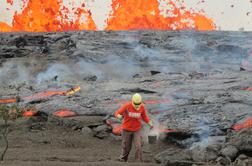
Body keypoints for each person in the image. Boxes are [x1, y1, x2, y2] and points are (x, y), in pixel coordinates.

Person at [114, 93, 153, 162]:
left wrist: (149, 123)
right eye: (136, 103)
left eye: (139, 103)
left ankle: (138, 161)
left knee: (138, 146)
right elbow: (117, 113)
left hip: (137, 130)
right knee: (127, 147)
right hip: (126, 130)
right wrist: (119, 116)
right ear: (132, 101)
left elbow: (144, 117)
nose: (137, 105)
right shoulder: (127, 106)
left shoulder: (142, 107)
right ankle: (123, 159)